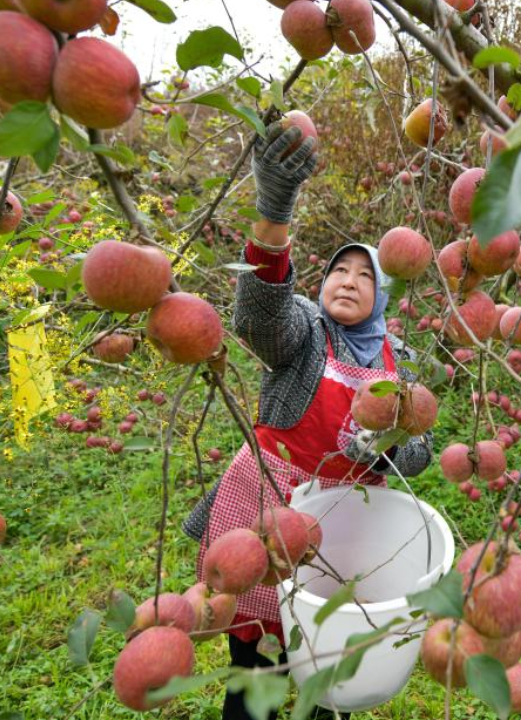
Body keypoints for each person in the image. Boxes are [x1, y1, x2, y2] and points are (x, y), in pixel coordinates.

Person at [182, 121, 435, 720]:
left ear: (385, 298)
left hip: (347, 524)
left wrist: (390, 447)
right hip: (270, 500)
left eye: (365, 275)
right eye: (338, 273)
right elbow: (258, 316)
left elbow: (423, 452)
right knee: (259, 661)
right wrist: (275, 209)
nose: (348, 281)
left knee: (330, 652)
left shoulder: (403, 365)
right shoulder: (304, 330)